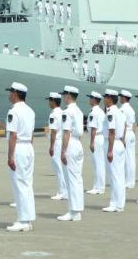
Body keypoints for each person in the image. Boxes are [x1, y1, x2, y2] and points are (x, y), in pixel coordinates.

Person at [4, 82, 36, 230]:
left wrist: (10, 156)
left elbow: (13, 135)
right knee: (27, 184)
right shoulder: (30, 111)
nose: (9, 94)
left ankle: (23, 221)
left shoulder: (14, 111)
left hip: (19, 148)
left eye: (11, 92)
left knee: (19, 184)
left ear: (16, 93)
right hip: (28, 146)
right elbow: (31, 133)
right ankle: (28, 219)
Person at [56, 86, 85, 222]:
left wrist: (63, 151)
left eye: (64, 95)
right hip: (78, 143)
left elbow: (66, 132)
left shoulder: (67, 112)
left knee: (71, 179)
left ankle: (73, 211)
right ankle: (76, 210)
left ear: (68, 95)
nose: (63, 97)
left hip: (71, 144)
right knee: (77, 179)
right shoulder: (78, 111)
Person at [100, 89, 126, 212]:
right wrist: (123, 141)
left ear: (109, 98)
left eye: (105, 97)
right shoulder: (119, 111)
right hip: (119, 143)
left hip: (113, 144)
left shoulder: (111, 112)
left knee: (114, 175)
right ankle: (119, 203)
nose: (104, 99)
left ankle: (115, 204)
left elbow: (111, 131)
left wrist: (110, 150)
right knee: (119, 175)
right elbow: (124, 127)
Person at [85, 92, 106, 195]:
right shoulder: (101, 111)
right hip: (100, 137)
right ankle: (98, 186)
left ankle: (99, 187)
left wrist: (92, 142)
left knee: (97, 163)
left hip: (96, 138)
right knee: (99, 163)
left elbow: (93, 127)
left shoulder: (94, 112)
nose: (89, 100)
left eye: (90, 98)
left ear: (94, 99)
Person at [45, 92, 66, 201]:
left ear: (53, 101)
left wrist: (51, 146)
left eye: (49, 100)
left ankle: (62, 192)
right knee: (62, 168)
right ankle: (65, 191)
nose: (49, 102)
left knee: (58, 168)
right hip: (62, 141)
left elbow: (53, 131)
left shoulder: (53, 114)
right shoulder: (62, 112)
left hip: (57, 142)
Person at [119, 90, 137, 190]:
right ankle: (131, 181)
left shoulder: (122, 109)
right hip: (131, 133)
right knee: (131, 159)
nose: (120, 98)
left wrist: (122, 138)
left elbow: (123, 124)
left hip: (125, 134)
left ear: (124, 98)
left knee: (126, 159)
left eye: (121, 96)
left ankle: (128, 182)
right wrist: (132, 134)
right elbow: (134, 124)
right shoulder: (131, 109)